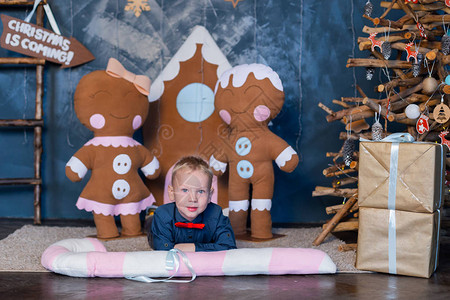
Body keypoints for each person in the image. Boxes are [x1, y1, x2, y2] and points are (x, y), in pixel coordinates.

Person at [147, 156, 236, 252]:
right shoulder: (162, 215)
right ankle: (148, 220)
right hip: (156, 225)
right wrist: (211, 247)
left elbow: (229, 247)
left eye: (201, 191)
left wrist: (192, 248)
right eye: (185, 190)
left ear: (210, 195)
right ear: (172, 193)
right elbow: (163, 250)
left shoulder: (216, 214)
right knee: (150, 224)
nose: (193, 199)